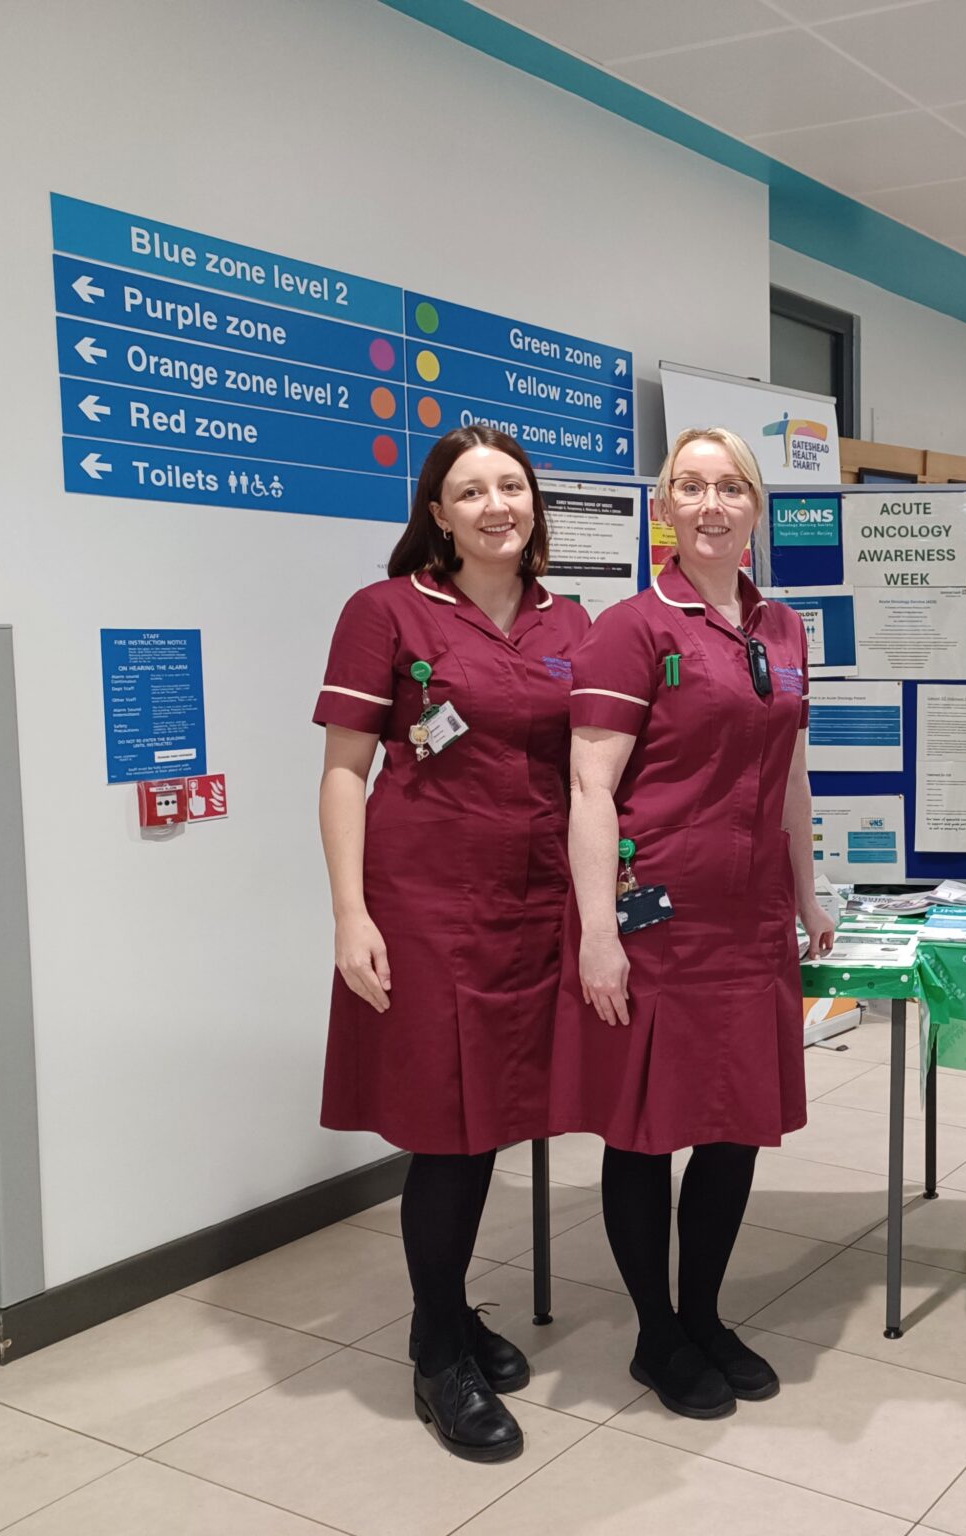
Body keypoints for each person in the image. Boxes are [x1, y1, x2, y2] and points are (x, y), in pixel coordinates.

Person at [314, 424, 589, 1461]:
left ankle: (457, 1315)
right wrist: (351, 913)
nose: (493, 506)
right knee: (451, 1127)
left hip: (539, 904)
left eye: (509, 487)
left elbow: (595, 771)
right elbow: (345, 771)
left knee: (504, 1114)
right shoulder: (384, 612)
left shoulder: (573, 618)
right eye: (468, 492)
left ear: (533, 504)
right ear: (436, 513)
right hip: (424, 906)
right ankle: (439, 1350)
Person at [550, 426, 835, 1419]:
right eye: (690, 487)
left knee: (731, 1127)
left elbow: (791, 772)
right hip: (655, 922)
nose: (711, 505)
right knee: (645, 1132)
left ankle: (704, 1312)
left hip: (751, 923)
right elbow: (591, 786)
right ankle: (656, 1334)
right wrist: (596, 933)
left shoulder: (785, 628)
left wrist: (807, 893)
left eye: (730, 488)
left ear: (756, 509)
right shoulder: (631, 628)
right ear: (664, 507)